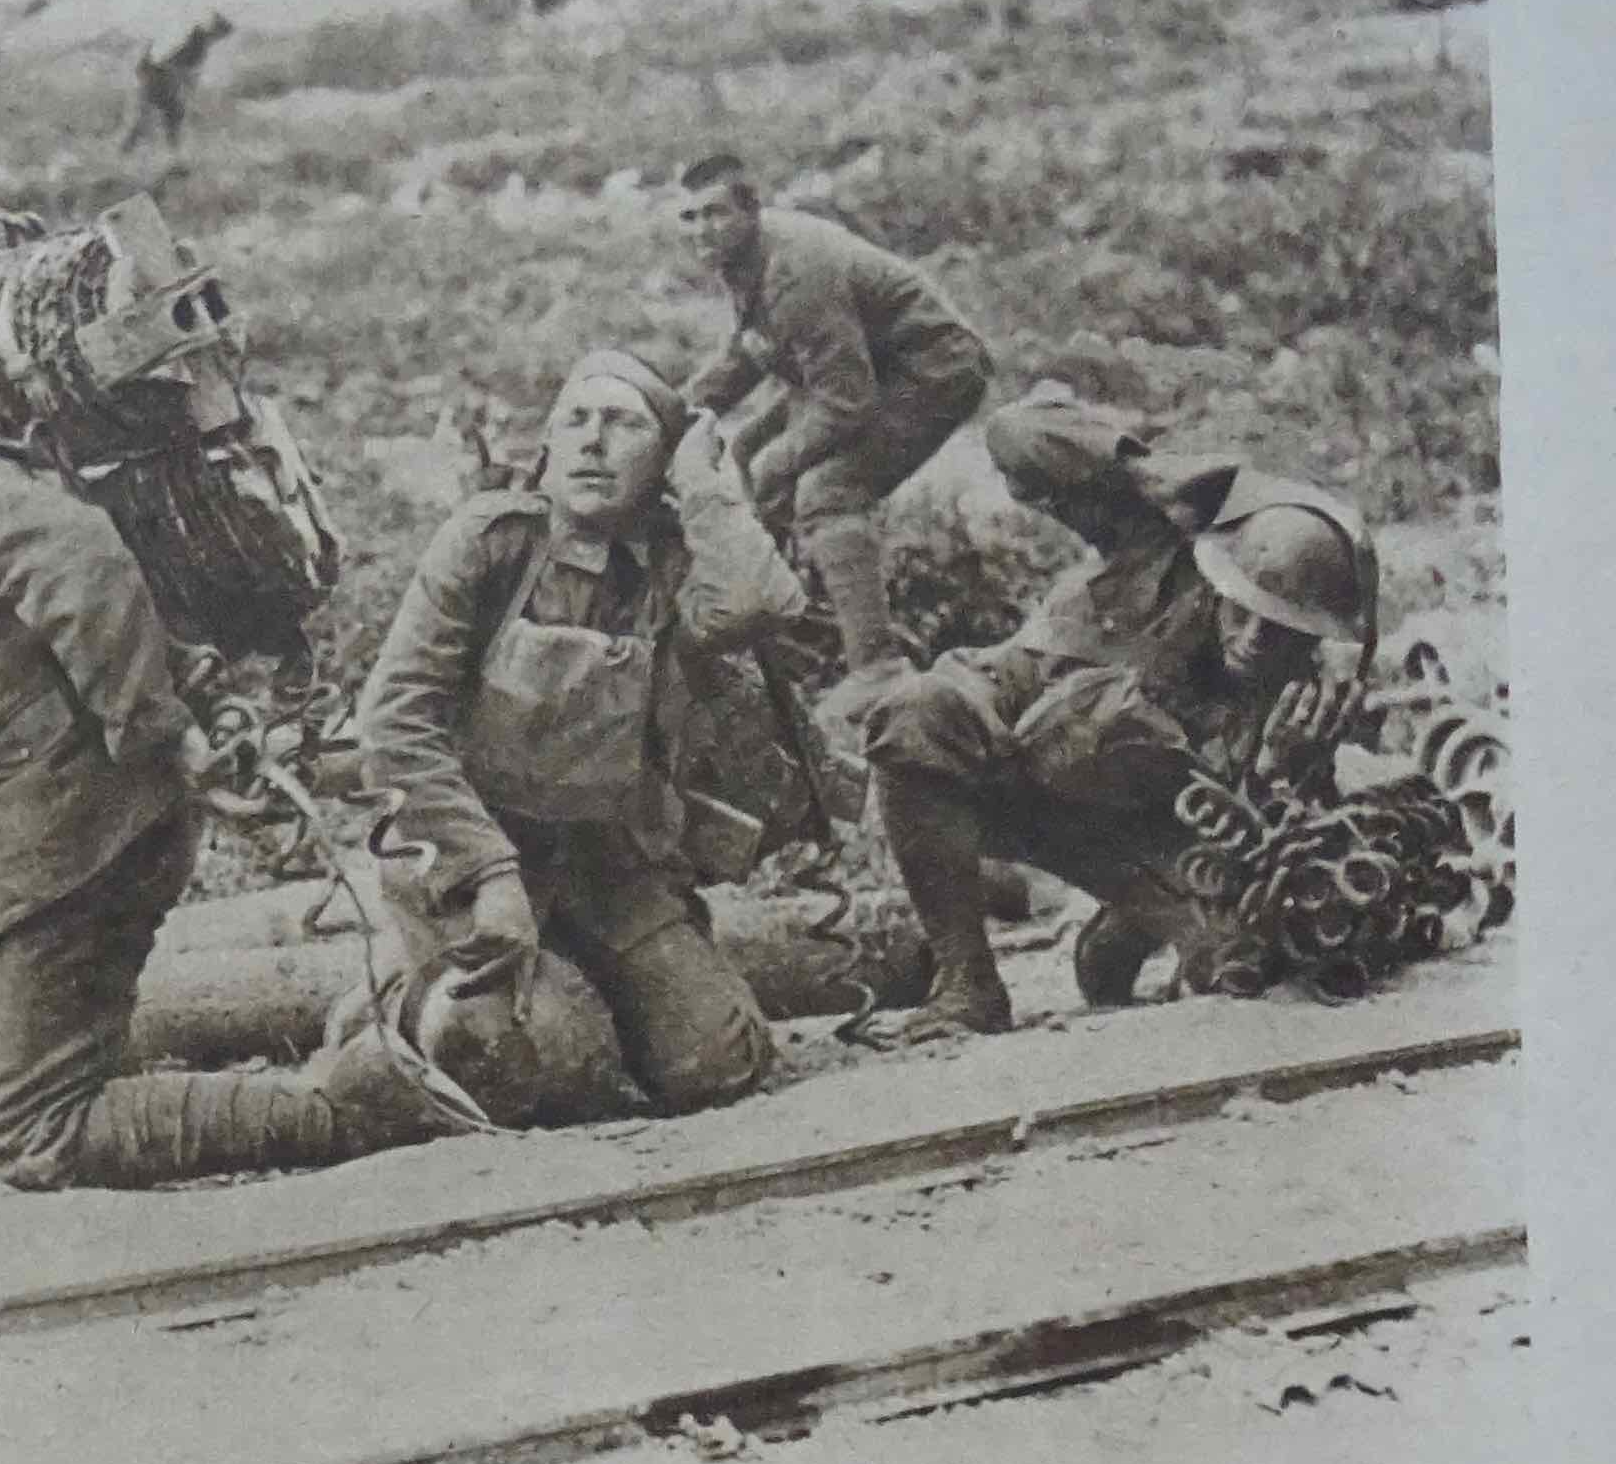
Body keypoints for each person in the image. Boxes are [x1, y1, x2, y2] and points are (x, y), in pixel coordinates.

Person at [0, 270, 458, 1190]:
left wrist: (160, 733)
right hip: (32, 771)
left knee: (38, 1136)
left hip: (84, 819)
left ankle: (350, 1109)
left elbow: (83, 566)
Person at [352, 349, 802, 1125]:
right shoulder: (492, 542)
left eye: (622, 424)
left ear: (663, 456)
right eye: (575, 421)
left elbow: (760, 604)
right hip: (467, 860)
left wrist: (704, 484)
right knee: (509, 1058)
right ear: (549, 445)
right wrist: (490, 875)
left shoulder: (675, 559)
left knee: (717, 1062)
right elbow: (394, 720)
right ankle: (392, 997)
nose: (592, 442)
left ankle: (584, 985)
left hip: (607, 866)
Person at [859, 390, 1381, 1041]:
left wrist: (1285, 768)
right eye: (1241, 611)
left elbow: (1287, 851)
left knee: (1246, 960)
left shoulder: (1309, 693)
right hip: (1019, 779)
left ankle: (1131, 923)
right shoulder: (1157, 546)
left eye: (1278, 630)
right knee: (914, 715)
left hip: (1149, 839)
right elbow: (1018, 430)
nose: (1252, 640)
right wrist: (1154, 479)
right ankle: (967, 983)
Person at [669, 159, 992, 683]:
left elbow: (846, 404)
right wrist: (668, 414)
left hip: (932, 368)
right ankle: (785, 625)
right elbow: (750, 352)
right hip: (864, 366)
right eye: (689, 217)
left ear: (751, 211)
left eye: (715, 214)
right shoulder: (744, 257)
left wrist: (779, 463)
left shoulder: (794, 270)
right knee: (748, 450)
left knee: (827, 490)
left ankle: (876, 669)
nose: (701, 231)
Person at [127, 8, 234, 155]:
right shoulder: (198, 41)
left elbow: (180, 64)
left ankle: (130, 150)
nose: (220, 39)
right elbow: (180, 66)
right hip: (163, 80)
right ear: (216, 30)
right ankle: (170, 153)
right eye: (221, 34)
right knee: (170, 115)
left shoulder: (198, 39)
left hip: (161, 79)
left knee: (155, 119)